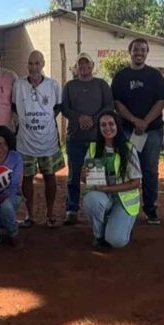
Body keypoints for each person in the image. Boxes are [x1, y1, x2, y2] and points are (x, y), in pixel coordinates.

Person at [111, 38, 164, 224]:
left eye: (143, 50)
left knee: (150, 170)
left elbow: (161, 101)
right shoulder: (121, 76)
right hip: (127, 130)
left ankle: (151, 209)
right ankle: (126, 208)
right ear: (130, 51)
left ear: (147, 52)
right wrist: (134, 120)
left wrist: (145, 121)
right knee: (126, 170)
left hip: (152, 131)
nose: (139, 53)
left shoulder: (155, 76)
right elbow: (117, 103)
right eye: (136, 49)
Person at [13, 50, 64, 228]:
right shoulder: (19, 84)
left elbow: (58, 107)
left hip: (48, 141)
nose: (33, 67)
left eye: (37, 63)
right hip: (25, 141)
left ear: (43, 64)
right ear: (27, 65)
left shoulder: (53, 85)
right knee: (27, 178)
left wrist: (45, 121)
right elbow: (13, 107)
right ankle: (30, 215)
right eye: (30, 63)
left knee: (50, 176)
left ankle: (50, 214)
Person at [61, 52, 113, 225]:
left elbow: (109, 105)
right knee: (74, 175)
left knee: (96, 176)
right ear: (76, 67)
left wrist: (94, 119)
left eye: (87, 64)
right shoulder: (70, 86)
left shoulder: (101, 84)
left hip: (96, 138)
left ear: (92, 66)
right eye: (80, 64)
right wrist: (79, 118)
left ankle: (98, 209)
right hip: (75, 138)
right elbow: (65, 108)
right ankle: (72, 209)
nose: (83, 67)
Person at [82, 111, 142, 249]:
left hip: (124, 200)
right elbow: (86, 179)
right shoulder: (93, 148)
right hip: (102, 195)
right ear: (99, 128)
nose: (107, 128)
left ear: (117, 126)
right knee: (91, 200)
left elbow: (136, 183)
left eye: (111, 124)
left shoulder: (128, 149)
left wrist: (108, 189)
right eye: (103, 125)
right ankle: (99, 235)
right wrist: (84, 176)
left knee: (116, 241)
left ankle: (122, 225)